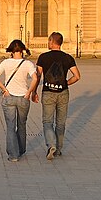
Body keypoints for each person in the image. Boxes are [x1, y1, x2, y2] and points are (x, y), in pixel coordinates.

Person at [35, 31, 80, 160]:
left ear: (51, 41)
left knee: (47, 121)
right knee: (60, 123)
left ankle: (51, 145)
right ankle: (58, 149)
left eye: (49, 41)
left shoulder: (43, 57)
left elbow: (38, 76)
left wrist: (33, 92)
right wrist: (66, 83)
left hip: (48, 92)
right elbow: (77, 76)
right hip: (63, 92)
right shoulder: (68, 57)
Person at [0, 39, 39, 161]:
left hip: (9, 97)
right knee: (22, 125)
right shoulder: (28, 64)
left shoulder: (6, 63)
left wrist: (4, 89)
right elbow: (35, 78)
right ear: (22, 51)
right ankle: (21, 149)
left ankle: (13, 155)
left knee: (10, 126)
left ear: (11, 51)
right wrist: (29, 92)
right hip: (23, 97)